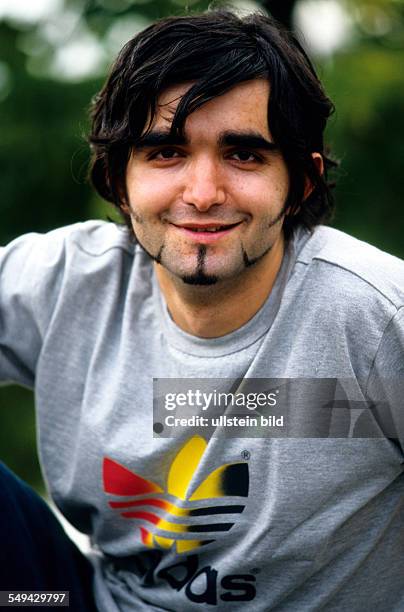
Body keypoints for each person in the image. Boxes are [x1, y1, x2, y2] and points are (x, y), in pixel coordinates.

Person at [1, 8, 403, 612]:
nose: (203, 192)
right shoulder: (61, 281)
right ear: (118, 175)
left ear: (302, 182)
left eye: (244, 155)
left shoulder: (375, 314)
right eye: (165, 152)